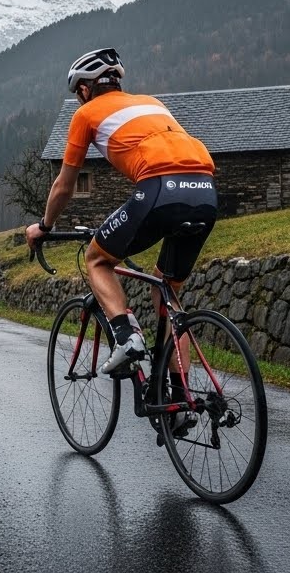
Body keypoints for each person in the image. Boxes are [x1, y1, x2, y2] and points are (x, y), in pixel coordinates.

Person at [26, 48, 217, 429]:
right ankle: (177, 399)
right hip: (206, 190)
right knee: (168, 295)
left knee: (98, 260)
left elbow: (65, 185)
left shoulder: (85, 114)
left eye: (77, 91)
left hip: (160, 190)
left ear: (84, 88)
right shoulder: (151, 103)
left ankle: (127, 336)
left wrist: (43, 226)